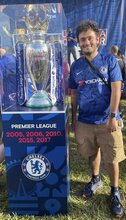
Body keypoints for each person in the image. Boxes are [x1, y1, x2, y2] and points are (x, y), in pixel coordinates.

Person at [69, 20, 125, 218]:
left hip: (107, 119)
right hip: (85, 120)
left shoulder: (109, 61)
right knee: (92, 152)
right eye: (82, 40)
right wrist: (73, 119)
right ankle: (95, 179)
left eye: (90, 38)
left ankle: (115, 191)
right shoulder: (75, 66)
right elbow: (74, 94)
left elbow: (117, 88)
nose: (86, 43)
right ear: (78, 42)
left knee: (112, 157)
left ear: (98, 40)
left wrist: (112, 116)